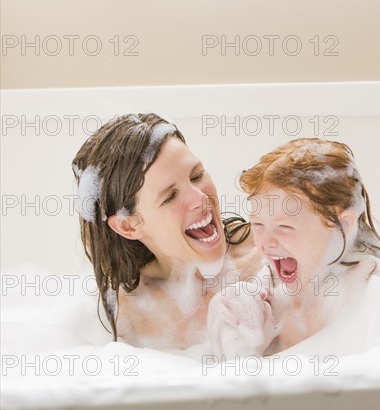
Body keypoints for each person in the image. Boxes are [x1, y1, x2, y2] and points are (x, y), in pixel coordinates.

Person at [72, 113, 267, 349]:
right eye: (170, 196)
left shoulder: (270, 255)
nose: (201, 199)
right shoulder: (125, 319)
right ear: (128, 225)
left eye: (196, 175)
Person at [208, 138, 380, 357]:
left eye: (284, 227)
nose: (266, 242)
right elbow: (230, 371)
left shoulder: (366, 285)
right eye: (258, 224)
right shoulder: (267, 287)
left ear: (342, 226)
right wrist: (231, 325)